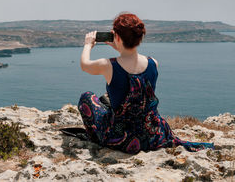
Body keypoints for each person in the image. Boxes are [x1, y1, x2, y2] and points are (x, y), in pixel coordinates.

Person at [78, 12, 214, 154]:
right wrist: (121, 46)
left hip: (121, 139)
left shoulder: (108, 65)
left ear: (116, 37)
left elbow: (84, 64)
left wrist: (88, 45)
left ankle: (96, 138)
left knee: (87, 97)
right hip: (152, 135)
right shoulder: (153, 63)